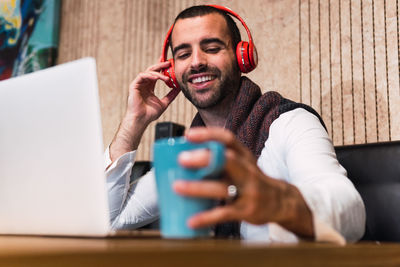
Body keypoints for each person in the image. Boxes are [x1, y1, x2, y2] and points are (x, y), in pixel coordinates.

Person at [104, 5, 365, 243]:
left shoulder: (291, 123)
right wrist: (133, 123)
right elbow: (108, 220)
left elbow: (351, 213)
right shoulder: (189, 153)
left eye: (212, 48)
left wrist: (278, 202)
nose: (196, 62)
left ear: (242, 57)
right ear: (172, 73)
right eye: (184, 54)